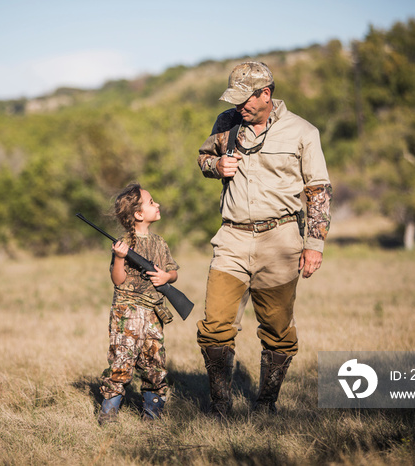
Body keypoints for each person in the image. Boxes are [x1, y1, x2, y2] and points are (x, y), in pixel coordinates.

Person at [196, 61, 332, 417]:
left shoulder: (303, 131)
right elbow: (203, 157)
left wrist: (314, 245)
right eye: (236, 99)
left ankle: (265, 404)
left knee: (276, 330)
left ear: (266, 94)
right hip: (232, 238)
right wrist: (215, 167)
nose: (240, 107)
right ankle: (220, 406)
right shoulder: (226, 123)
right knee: (214, 328)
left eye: (246, 100)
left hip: (281, 241)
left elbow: (317, 190)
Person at [98, 183, 180, 425]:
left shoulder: (160, 242)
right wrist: (121, 258)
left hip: (153, 313)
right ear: (138, 214)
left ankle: (152, 413)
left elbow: (172, 273)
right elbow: (117, 280)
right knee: (122, 360)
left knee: (154, 363)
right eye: (151, 202)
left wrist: (166, 277)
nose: (157, 204)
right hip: (127, 313)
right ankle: (109, 412)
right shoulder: (123, 243)